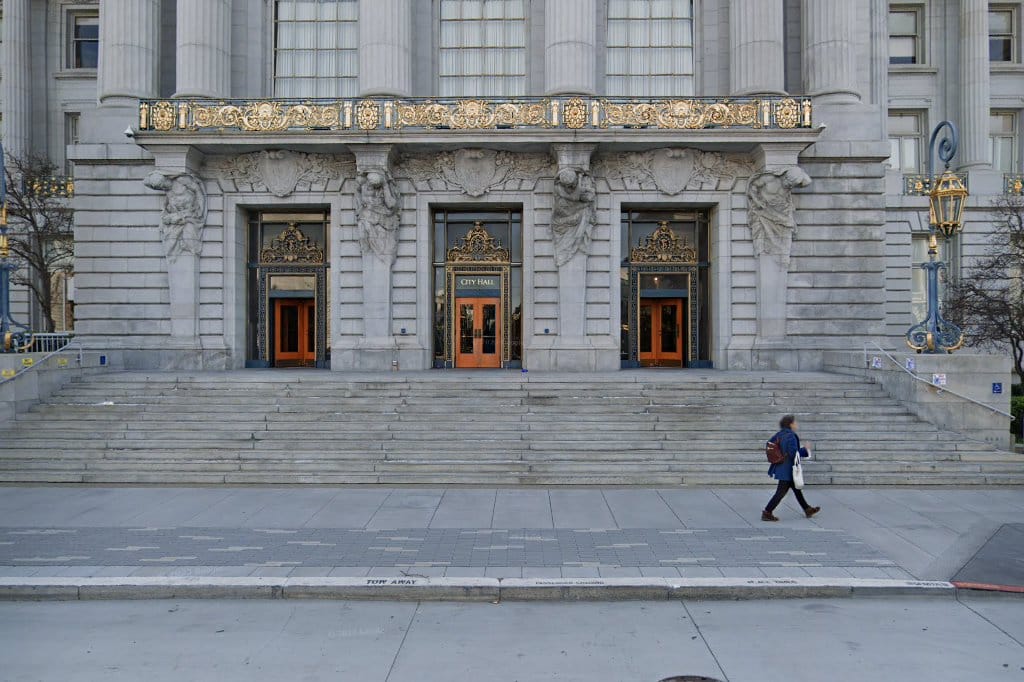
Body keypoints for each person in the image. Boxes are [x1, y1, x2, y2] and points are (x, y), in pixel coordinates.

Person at [762, 414, 821, 522]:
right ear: (790, 424)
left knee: (796, 489)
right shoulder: (791, 436)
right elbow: (793, 453)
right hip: (788, 469)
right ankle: (767, 512)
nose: (796, 424)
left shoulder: (779, 434)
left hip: (782, 467)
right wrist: (805, 450)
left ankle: (807, 509)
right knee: (780, 492)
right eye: (795, 422)